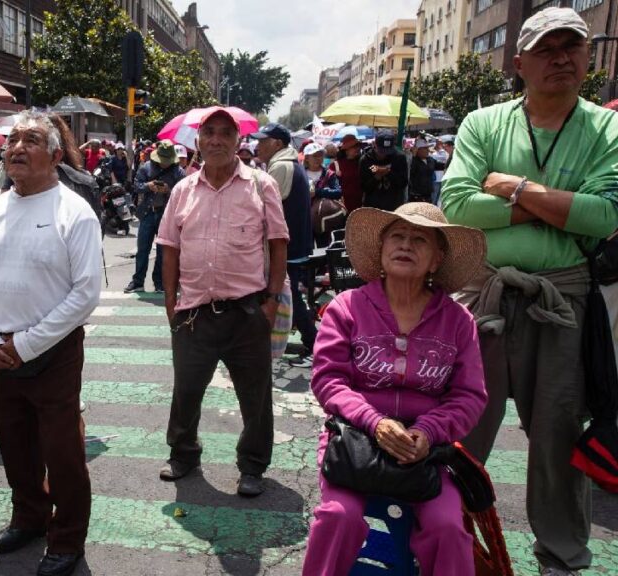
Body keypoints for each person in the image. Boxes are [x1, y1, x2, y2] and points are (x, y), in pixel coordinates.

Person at [441, 8, 618, 574]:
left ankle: (561, 556)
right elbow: (459, 206)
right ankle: (444, 541)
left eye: (573, 46)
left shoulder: (609, 128)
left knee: (559, 435)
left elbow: (605, 214)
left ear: (587, 57)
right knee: (461, 429)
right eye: (548, 48)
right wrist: (554, 207)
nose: (562, 57)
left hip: (564, 300)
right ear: (519, 64)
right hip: (483, 294)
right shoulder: (484, 122)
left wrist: (515, 190)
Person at [301, 202, 488, 575]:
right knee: (338, 516)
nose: (405, 245)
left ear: (436, 260)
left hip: (427, 448)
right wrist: (375, 422)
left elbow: (469, 396)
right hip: (355, 440)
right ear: (382, 250)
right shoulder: (346, 307)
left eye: (419, 239)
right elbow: (328, 380)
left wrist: (427, 431)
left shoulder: (457, 320)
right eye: (397, 236)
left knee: (447, 528)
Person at [0, 110, 101, 576]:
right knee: (14, 444)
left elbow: (85, 293)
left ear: (55, 154)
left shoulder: (74, 211)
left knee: (63, 452)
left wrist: (26, 344)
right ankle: (30, 515)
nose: (17, 148)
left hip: (53, 352)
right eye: (12, 141)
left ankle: (67, 539)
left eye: (30, 141)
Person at [157, 107, 289, 497]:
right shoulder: (182, 189)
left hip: (247, 311)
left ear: (238, 141)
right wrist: (170, 304)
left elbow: (278, 245)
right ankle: (183, 454)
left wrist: (270, 302)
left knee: (255, 396)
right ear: (197, 140)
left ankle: (252, 465)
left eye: (224, 133)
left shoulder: (261, 185)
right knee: (186, 390)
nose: (215, 140)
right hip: (194, 312)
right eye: (208, 132)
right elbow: (169, 249)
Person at [254, 123, 315, 367]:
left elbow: (262, 207)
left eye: (263, 141)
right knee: (289, 294)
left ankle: (315, 344)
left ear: (277, 144)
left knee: (287, 295)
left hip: (287, 246)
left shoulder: (281, 166)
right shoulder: (290, 164)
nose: (258, 145)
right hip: (296, 242)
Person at [124, 140, 185, 294]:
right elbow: (135, 186)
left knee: (162, 252)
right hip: (147, 213)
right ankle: (138, 281)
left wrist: (169, 191)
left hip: (166, 215)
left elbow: (184, 194)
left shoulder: (178, 173)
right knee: (142, 249)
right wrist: (148, 186)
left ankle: (159, 283)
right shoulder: (146, 167)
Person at [304, 142, 343, 249]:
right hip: (304, 218)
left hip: (323, 218)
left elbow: (338, 192)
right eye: (314, 156)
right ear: (307, 158)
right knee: (307, 249)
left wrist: (317, 192)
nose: (318, 158)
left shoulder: (329, 174)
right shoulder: (300, 174)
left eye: (320, 155)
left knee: (325, 248)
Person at [360, 130, 408, 211]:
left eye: (388, 151)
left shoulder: (399, 158)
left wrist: (388, 172)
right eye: (381, 151)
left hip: (394, 206)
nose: (384, 154)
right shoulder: (366, 159)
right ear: (374, 144)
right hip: (372, 207)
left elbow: (403, 183)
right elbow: (364, 187)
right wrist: (377, 177)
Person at [335, 134, 364, 213]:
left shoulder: (363, 162)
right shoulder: (336, 165)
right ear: (346, 150)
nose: (357, 149)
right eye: (354, 147)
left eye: (358, 146)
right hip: (342, 206)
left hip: (360, 205)